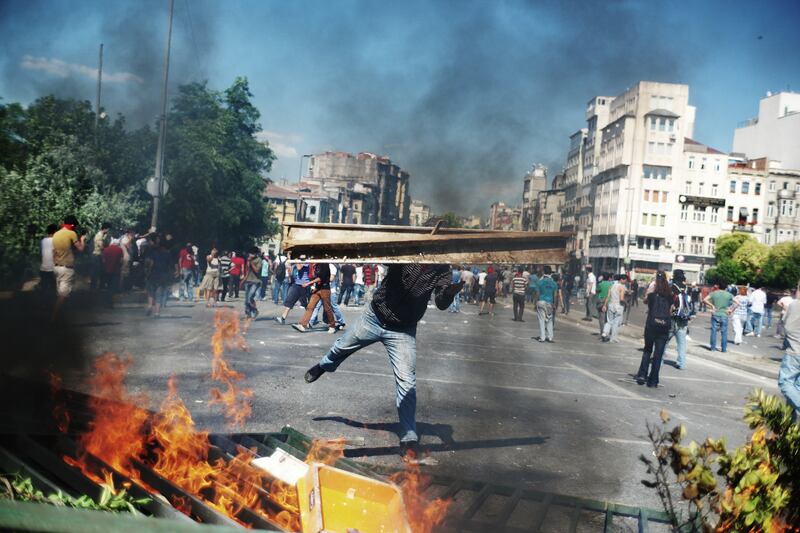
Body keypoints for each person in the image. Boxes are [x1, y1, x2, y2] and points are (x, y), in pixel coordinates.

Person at [303, 264, 463, 455]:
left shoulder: (442, 268)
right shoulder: (407, 253)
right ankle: (323, 366)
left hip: (403, 330)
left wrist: (449, 293)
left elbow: (441, 303)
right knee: (341, 347)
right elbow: (383, 257)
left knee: (407, 382)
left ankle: (409, 436)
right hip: (374, 317)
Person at [635, 271, 675, 388]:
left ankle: (642, 375)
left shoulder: (652, 296)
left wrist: (650, 289)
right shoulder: (670, 296)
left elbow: (645, 301)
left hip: (651, 326)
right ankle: (653, 380)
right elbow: (670, 311)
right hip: (663, 328)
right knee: (658, 354)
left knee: (647, 350)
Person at [51, 215, 87, 320]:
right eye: (74, 226)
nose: (75, 227)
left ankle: (62, 317)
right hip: (66, 269)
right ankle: (54, 318)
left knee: (61, 294)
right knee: (63, 296)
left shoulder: (56, 234)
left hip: (56, 268)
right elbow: (81, 249)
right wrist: (82, 239)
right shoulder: (71, 233)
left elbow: (54, 252)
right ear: (71, 225)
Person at [293, 262, 337, 333]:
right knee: (310, 306)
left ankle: (332, 326)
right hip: (317, 289)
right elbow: (314, 277)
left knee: (327, 308)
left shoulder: (324, 264)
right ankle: (302, 325)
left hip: (325, 289)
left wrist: (308, 283)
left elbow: (320, 278)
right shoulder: (316, 266)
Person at [778, 289, 800, 420]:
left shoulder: (795, 304)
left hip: (795, 351)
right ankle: (789, 423)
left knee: (785, 383)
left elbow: (787, 327)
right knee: (796, 388)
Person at [309, 262, 346, 331]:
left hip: (331, 291)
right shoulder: (321, 266)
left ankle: (341, 322)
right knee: (317, 306)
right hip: (321, 289)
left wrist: (322, 278)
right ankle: (310, 322)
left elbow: (331, 278)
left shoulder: (332, 266)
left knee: (334, 307)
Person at [667, 269, 692, 369]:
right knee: (681, 343)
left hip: (672, 317)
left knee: (664, 340)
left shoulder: (671, 287)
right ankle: (681, 364)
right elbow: (689, 302)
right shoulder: (687, 288)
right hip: (683, 317)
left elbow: (668, 302)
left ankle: (658, 360)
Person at [144, 233, 174, 317]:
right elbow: (171, 266)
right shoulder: (167, 253)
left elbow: (150, 263)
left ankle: (150, 305)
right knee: (159, 294)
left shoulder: (152, 251)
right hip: (163, 276)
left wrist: (147, 272)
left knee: (150, 292)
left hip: (153, 274)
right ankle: (157, 312)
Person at [704, 281, 734, 353]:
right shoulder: (729, 295)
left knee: (714, 331)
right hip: (724, 314)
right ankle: (723, 349)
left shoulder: (714, 293)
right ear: (726, 287)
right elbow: (738, 303)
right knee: (724, 332)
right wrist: (731, 310)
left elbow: (704, 299)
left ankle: (713, 348)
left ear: (718, 286)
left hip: (715, 313)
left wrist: (712, 305)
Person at [534, 266, 559, 343]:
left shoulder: (539, 282)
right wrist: (554, 304)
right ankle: (550, 337)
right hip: (549, 303)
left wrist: (535, 303)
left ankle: (542, 337)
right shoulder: (554, 283)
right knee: (549, 320)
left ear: (543, 272)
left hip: (541, 302)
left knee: (541, 320)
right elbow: (555, 295)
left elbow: (537, 293)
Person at [601, 274, 626, 342]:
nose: (625, 281)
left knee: (609, 321)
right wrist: (626, 303)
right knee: (616, 322)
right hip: (618, 306)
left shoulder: (611, 286)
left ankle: (605, 332)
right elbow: (621, 299)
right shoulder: (622, 287)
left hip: (611, 304)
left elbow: (608, 296)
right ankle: (613, 338)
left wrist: (604, 305)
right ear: (621, 280)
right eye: (625, 280)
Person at [101, 237, 124, 305]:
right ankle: (111, 301)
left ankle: (106, 301)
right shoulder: (120, 250)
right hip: (115, 271)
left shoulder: (105, 250)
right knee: (113, 287)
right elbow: (121, 261)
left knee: (107, 286)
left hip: (107, 271)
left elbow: (103, 261)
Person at [90, 222, 111, 290]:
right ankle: (93, 288)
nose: (108, 231)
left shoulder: (103, 235)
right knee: (95, 272)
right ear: (105, 229)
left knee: (101, 272)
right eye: (108, 229)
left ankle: (99, 287)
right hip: (97, 256)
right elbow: (101, 247)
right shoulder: (99, 235)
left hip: (99, 255)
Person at [243, 248, 263, 319]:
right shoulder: (249, 260)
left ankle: (255, 311)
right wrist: (243, 280)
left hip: (255, 281)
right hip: (248, 281)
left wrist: (251, 262)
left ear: (255, 254)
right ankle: (248, 314)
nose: (250, 254)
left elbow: (257, 271)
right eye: (250, 253)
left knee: (250, 297)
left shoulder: (259, 260)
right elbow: (248, 271)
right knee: (246, 300)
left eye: (252, 253)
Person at [39, 224, 57, 299]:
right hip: (52, 269)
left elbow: (41, 254)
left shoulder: (42, 241)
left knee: (44, 289)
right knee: (54, 289)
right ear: (55, 231)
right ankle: (53, 303)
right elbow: (55, 254)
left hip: (43, 268)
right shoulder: (55, 241)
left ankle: (43, 303)